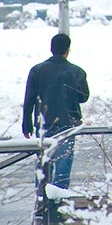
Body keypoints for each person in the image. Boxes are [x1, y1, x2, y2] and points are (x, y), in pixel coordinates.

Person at [22, 33, 89, 190]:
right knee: (63, 162)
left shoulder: (37, 70)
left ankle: (42, 196)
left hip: (44, 123)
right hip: (68, 123)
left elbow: (29, 99)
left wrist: (27, 124)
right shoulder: (77, 72)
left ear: (51, 49)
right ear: (67, 50)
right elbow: (84, 97)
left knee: (44, 160)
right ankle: (58, 198)